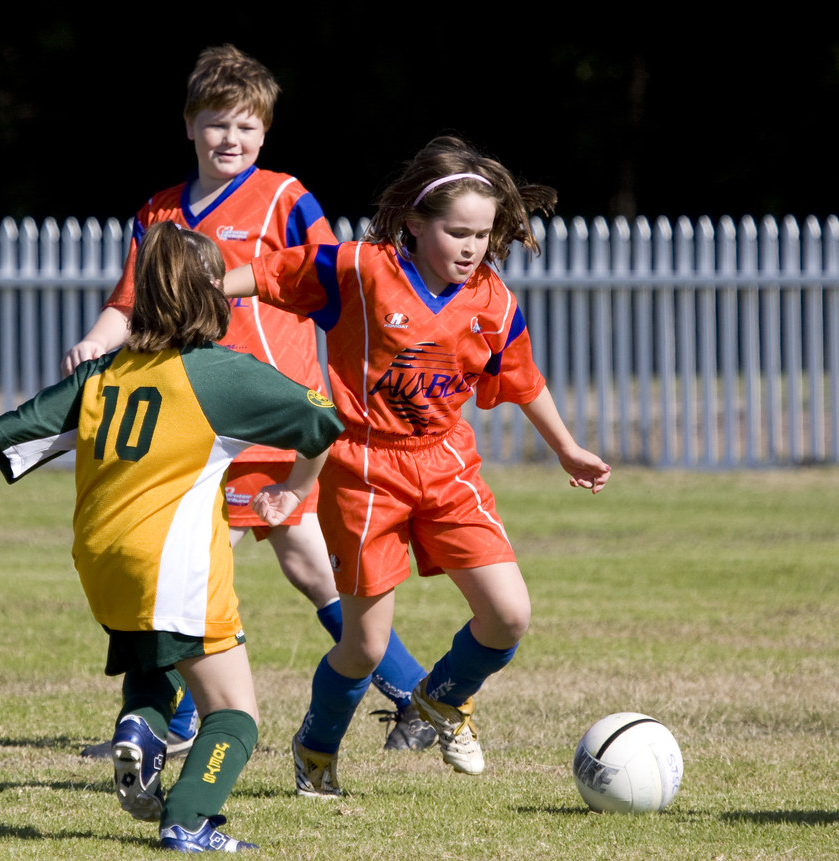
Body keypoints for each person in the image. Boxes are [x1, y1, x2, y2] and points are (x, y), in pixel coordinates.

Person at [0, 222, 344, 852]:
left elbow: (21, 423)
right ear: (213, 295)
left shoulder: (104, 372)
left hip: (102, 560)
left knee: (155, 666)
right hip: (172, 565)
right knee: (234, 715)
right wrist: (295, 490)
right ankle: (188, 819)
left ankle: (139, 728)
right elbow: (323, 419)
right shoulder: (220, 374)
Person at [63, 44, 435, 754]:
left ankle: (169, 723)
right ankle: (415, 695)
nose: (230, 139)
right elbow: (130, 300)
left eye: (246, 126)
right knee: (305, 566)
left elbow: (332, 279)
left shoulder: (285, 198)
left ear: (265, 132)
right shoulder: (159, 211)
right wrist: (94, 341)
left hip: (260, 415)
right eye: (216, 123)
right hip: (192, 419)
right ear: (189, 125)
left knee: (182, 572)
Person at [223, 136, 612, 797]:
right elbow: (270, 273)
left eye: (482, 235)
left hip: (445, 463)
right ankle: (316, 749)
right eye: (457, 232)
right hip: (363, 466)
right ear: (414, 222)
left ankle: (442, 696)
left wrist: (566, 447)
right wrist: (206, 289)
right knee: (365, 646)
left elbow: (522, 379)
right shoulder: (361, 269)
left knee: (508, 615)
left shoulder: (491, 299)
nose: (471, 247)